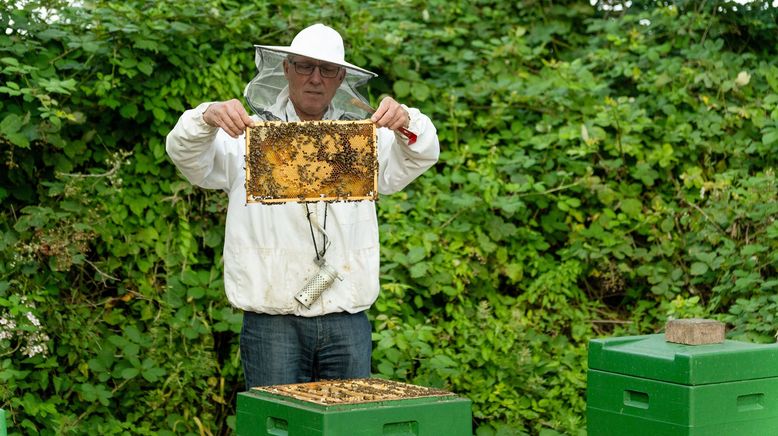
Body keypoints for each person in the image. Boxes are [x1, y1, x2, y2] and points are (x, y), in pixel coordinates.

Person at [165, 23, 439, 389]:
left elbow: (422, 151)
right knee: (277, 425)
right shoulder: (248, 135)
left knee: (347, 428)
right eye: (304, 66)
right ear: (286, 69)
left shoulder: (364, 140)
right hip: (272, 320)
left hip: (346, 315)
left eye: (326, 70)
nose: (315, 78)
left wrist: (407, 119)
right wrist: (205, 117)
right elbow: (186, 156)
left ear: (341, 77)